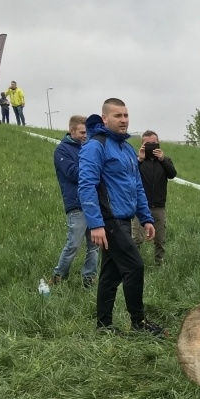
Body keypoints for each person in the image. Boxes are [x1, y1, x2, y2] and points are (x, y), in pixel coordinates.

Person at [78, 98, 166, 336]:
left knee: (111, 273)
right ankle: (139, 322)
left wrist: (146, 218)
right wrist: (96, 224)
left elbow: (136, 187)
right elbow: (86, 185)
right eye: (118, 116)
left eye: (126, 115)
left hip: (125, 220)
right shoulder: (96, 146)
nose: (124, 120)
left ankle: (103, 326)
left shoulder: (127, 149)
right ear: (105, 118)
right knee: (135, 267)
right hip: (109, 221)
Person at [49, 115, 99, 288]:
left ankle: (89, 278)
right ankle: (58, 276)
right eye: (82, 132)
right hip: (76, 204)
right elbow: (72, 172)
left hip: (93, 203)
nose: (86, 135)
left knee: (94, 246)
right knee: (73, 244)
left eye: (88, 132)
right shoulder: (62, 150)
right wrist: (93, 170)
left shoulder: (89, 148)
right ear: (72, 131)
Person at [131, 130, 177, 265]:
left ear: (159, 144)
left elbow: (172, 174)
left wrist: (162, 160)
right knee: (136, 238)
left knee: (160, 239)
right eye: (147, 144)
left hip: (159, 206)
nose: (151, 146)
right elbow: (129, 175)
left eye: (154, 143)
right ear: (142, 145)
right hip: (140, 206)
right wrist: (140, 159)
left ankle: (159, 264)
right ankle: (134, 264)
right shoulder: (137, 161)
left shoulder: (165, 160)